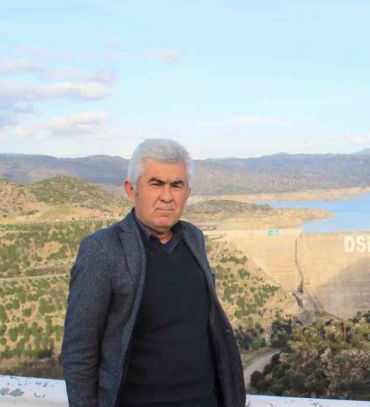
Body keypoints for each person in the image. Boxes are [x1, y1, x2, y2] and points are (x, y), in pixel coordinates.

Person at [61, 139, 245, 407]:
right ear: (131, 190)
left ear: (187, 193)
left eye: (176, 185)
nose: (167, 197)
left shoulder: (194, 239)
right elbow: (79, 352)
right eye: (156, 184)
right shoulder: (103, 250)